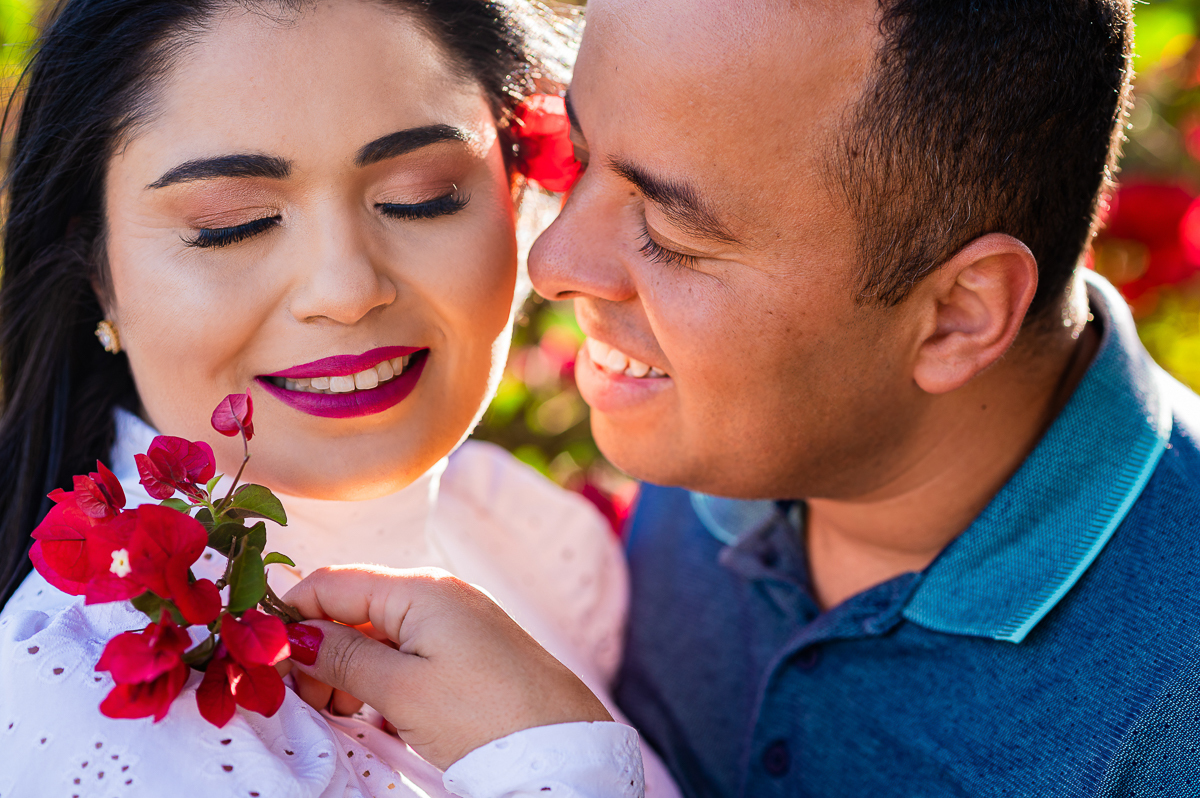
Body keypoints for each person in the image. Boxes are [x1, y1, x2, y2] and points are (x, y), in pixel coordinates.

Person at [289, 0, 1200, 795]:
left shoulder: (1173, 714)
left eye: (671, 232)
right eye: (586, 155)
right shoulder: (736, 440)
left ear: (957, 316)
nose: (554, 263)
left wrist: (552, 764)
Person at [0, 1, 681, 796]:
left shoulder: (530, 530)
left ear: (519, 187)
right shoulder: (92, 713)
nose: (347, 289)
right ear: (97, 269)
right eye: (234, 225)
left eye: (420, 197)